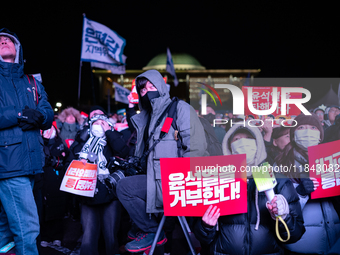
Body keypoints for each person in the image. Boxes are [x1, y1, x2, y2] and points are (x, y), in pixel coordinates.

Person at [116, 70, 207, 253]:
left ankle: (149, 231)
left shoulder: (180, 108)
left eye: (152, 86)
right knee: (124, 186)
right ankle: (148, 230)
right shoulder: (147, 117)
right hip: (154, 179)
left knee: (125, 188)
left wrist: (183, 182)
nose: (147, 92)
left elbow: (196, 149)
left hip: (174, 182)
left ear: (161, 87)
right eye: (143, 90)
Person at [193, 123, 305, 255]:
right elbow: (201, 237)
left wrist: (284, 218)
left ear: (258, 143)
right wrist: (206, 226)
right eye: (237, 139)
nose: (243, 143)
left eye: (249, 138)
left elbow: (295, 235)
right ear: (228, 146)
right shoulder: (215, 181)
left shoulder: (280, 182)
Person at [0, 28, 54, 255]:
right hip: (9, 164)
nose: (3, 42)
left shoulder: (32, 81)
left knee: (5, 231)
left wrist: (39, 117)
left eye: (8, 40)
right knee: (27, 228)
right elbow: (14, 114)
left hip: (31, 162)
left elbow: (47, 111)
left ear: (18, 48)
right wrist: (19, 115)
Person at [64, 108, 130, 255]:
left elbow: (123, 152)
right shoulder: (82, 141)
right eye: (95, 120)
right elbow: (70, 161)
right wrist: (79, 161)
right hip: (87, 193)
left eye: (102, 121)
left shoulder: (114, 138)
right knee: (88, 237)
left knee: (111, 236)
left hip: (110, 193)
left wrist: (109, 133)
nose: (98, 124)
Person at [274, 113, 340, 254]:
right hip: (300, 246)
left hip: (334, 241)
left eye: (313, 128)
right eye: (301, 127)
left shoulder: (333, 159)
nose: (307, 131)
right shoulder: (281, 165)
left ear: (320, 135)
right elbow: (276, 207)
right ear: (293, 135)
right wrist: (300, 193)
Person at [39, 121, 69, 248]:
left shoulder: (61, 144)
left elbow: (67, 159)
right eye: (45, 128)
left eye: (51, 128)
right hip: (43, 181)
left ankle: (57, 236)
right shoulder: (39, 143)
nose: (49, 131)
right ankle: (45, 236)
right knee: (44, 210)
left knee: (58, 209)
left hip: (58, 181)